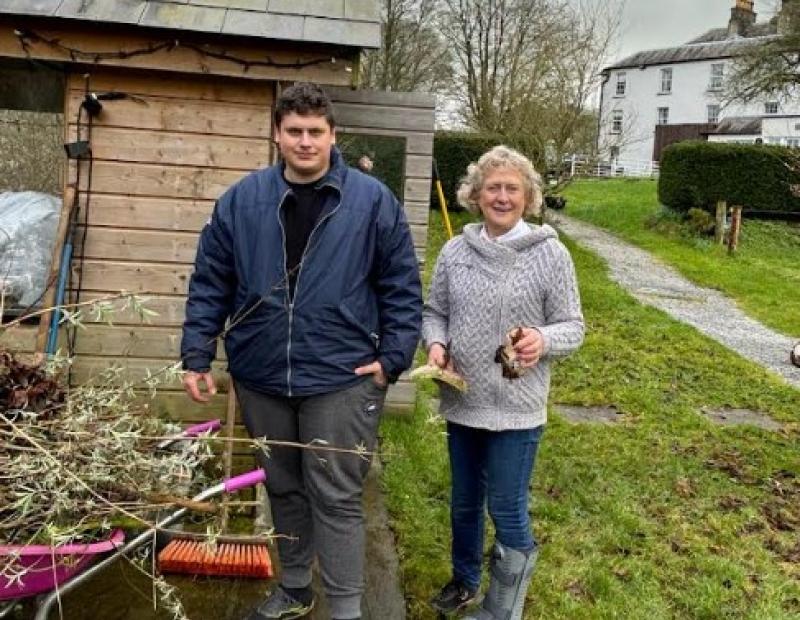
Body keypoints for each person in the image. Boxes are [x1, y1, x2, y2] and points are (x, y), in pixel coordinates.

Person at [180, 83, 422, 620]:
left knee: (335, 494)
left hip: (341, 374)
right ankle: (293, 589)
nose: (305, 142)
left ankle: (346, 609)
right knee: (283, 486)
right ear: (277, 134)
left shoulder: (371, 201)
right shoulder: (241, 201)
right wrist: (197, 353)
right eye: (295, 131)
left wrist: (394, 357)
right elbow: (210, 281)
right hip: (261, 373)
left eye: (316, 131)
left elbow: (401, 285)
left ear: (333, 135)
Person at [423, 145, 584, 619]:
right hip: (463, 398)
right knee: (464, 502)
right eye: (492, 187)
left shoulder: (550, 254)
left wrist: (541, 338)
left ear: (528, 196)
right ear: (475, 194)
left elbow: (573, 326)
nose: (501, 196)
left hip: (518, 406)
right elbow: (435, 313)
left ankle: (502, 609)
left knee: (507, 506)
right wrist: (435, 344)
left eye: (512, 188)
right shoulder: (456, 252)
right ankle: (465, 581)